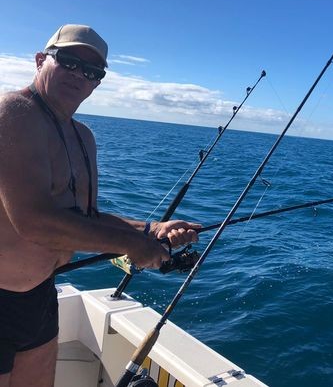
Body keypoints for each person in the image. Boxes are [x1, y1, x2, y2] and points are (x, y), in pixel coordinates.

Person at [0, 24, 201, 387]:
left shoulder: (84, 137)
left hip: (39, 297)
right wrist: (131, 244)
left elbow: (85, 218)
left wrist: (149, 229)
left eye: (93, 71)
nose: (80, 74)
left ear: (97, 83)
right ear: (40, 60)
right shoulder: (13, 114)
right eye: (69, 61)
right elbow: (32, 221)